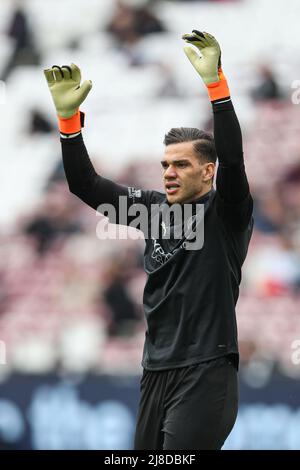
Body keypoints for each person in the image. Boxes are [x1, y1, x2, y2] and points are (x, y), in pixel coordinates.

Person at [44, 30, 253, 450]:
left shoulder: (226, 212)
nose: (169, 172)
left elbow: (232, 157)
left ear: (208, 172)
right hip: (155, 371)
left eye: (181, 164)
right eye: (165, 164)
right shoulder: (151, 209)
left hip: (206, 371)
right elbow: (84, 184)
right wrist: (69, 125)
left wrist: (217, 87)